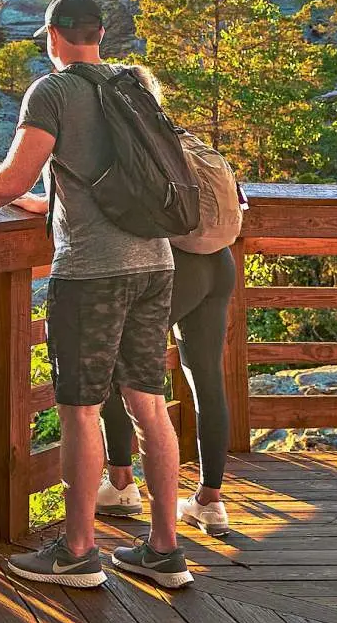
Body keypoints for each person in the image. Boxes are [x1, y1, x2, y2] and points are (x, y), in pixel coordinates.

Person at [0, 0, 194, 590]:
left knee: (80, 409)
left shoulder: (52, 90)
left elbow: (12, 173)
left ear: (53, 35)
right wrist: (35, 203)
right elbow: (61, 186)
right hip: (155, 262)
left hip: (91, 272)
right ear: (98, 33)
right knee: (147, 400)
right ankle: (165, 551)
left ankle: (78, 552)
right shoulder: (133, 83)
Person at [94, 66, 236, 535]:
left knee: (111, 366)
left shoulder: (140, 145)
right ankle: (210, 502)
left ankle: (120, 482)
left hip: (182, 268)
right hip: (220, 262)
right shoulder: (186, 139)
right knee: (206, 378)